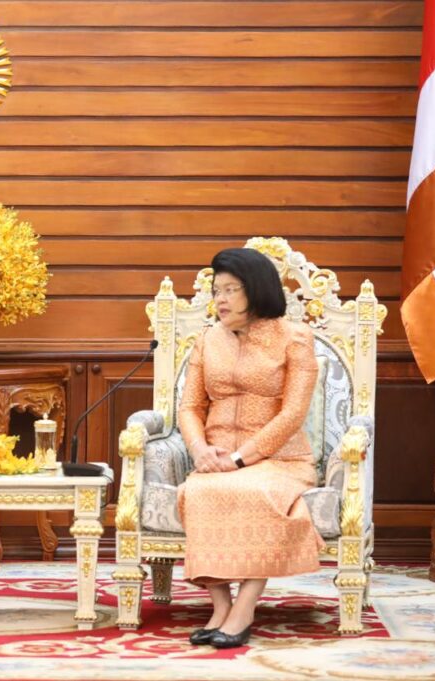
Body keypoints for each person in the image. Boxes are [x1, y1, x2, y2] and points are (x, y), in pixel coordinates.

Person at [177, 247, 323, 649]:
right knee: (197, 491)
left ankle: (244, 609)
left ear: (255, 290)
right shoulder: (208, 341)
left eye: (230, 290)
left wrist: (242, 459)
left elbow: (293, 413)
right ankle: (221, 607)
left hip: (280, 459)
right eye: (216, 290)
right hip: (217, 457)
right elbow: (190, 407)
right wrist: (199, 449)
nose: (220, 299)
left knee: (254, 491)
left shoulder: (295, 338)